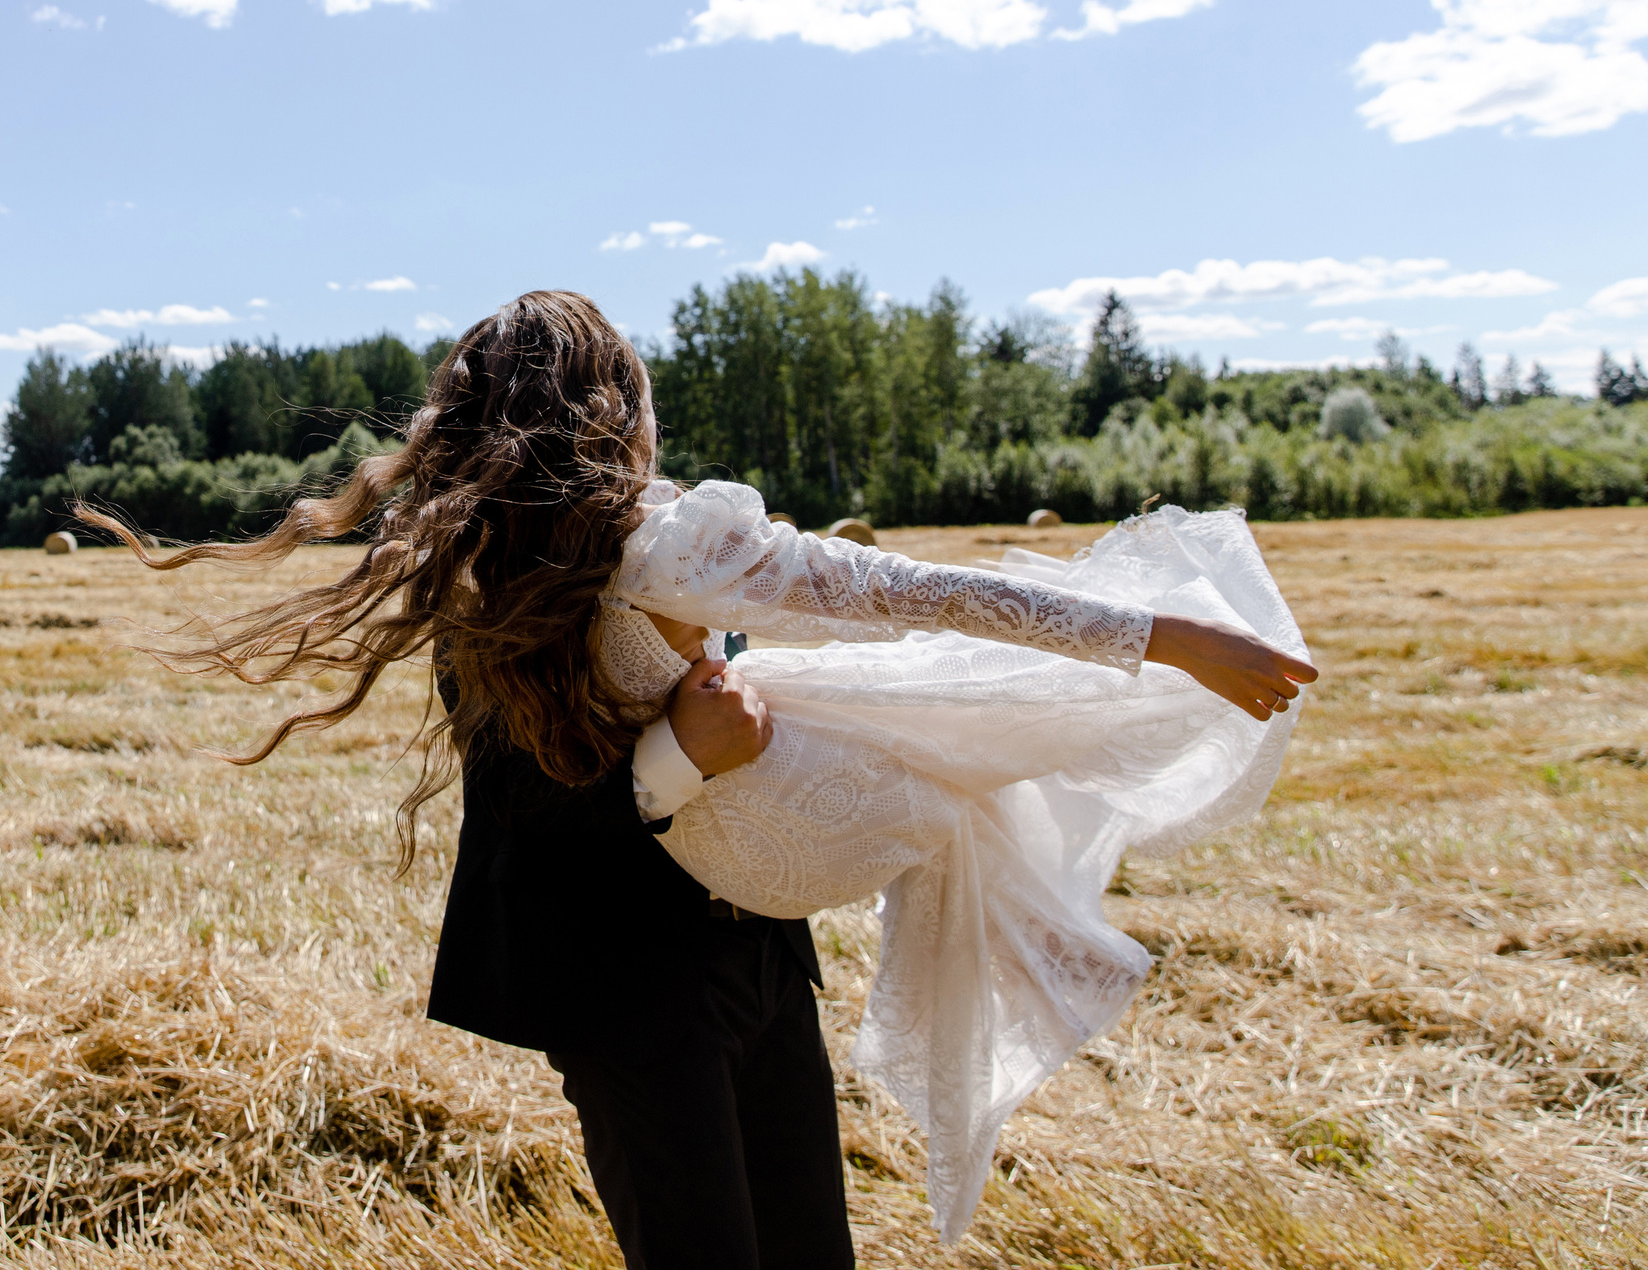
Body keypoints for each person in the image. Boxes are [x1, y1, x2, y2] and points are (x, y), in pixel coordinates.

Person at [83, 291, 1315, 1269]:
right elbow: (911, 595)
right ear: (616, 410)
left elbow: (896, 596)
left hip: (748, 957)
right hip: (618, 979)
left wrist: (1150, 633)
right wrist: (1164, 634)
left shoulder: (626, 548)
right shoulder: (509, 571)